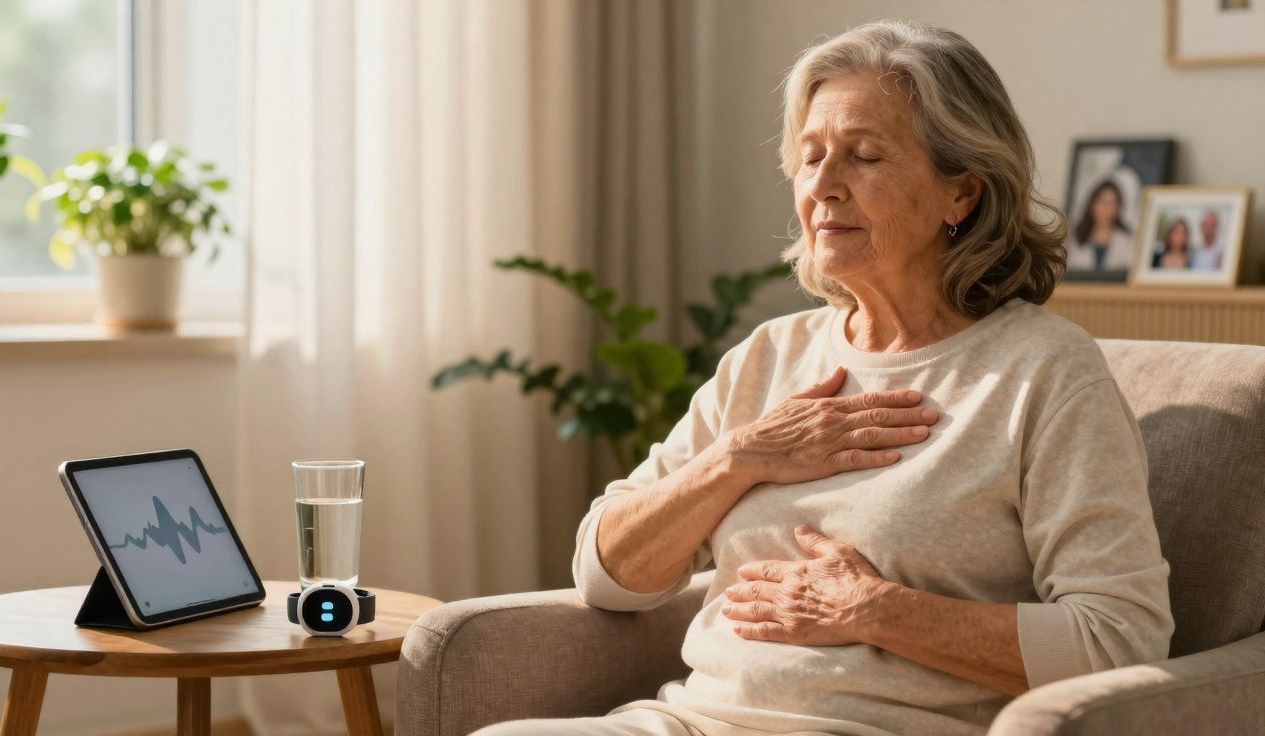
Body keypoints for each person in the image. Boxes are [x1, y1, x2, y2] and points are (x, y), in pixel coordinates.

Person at [476, 19, 1172, 736]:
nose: (824, 187)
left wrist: (870, 610)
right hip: (687, 723)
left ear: (960, 195)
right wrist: (740, 458)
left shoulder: (1044, 373)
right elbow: (607, 575)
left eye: (865, 156)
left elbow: (1119, 638)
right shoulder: (771, 355)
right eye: (810, 158)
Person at [1066, 180, 1134, 272]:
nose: (1106, 209)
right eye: (1102, 202)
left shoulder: (1127, 239)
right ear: (1092, 205)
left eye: (1112, 203)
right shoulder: (1075, 236)